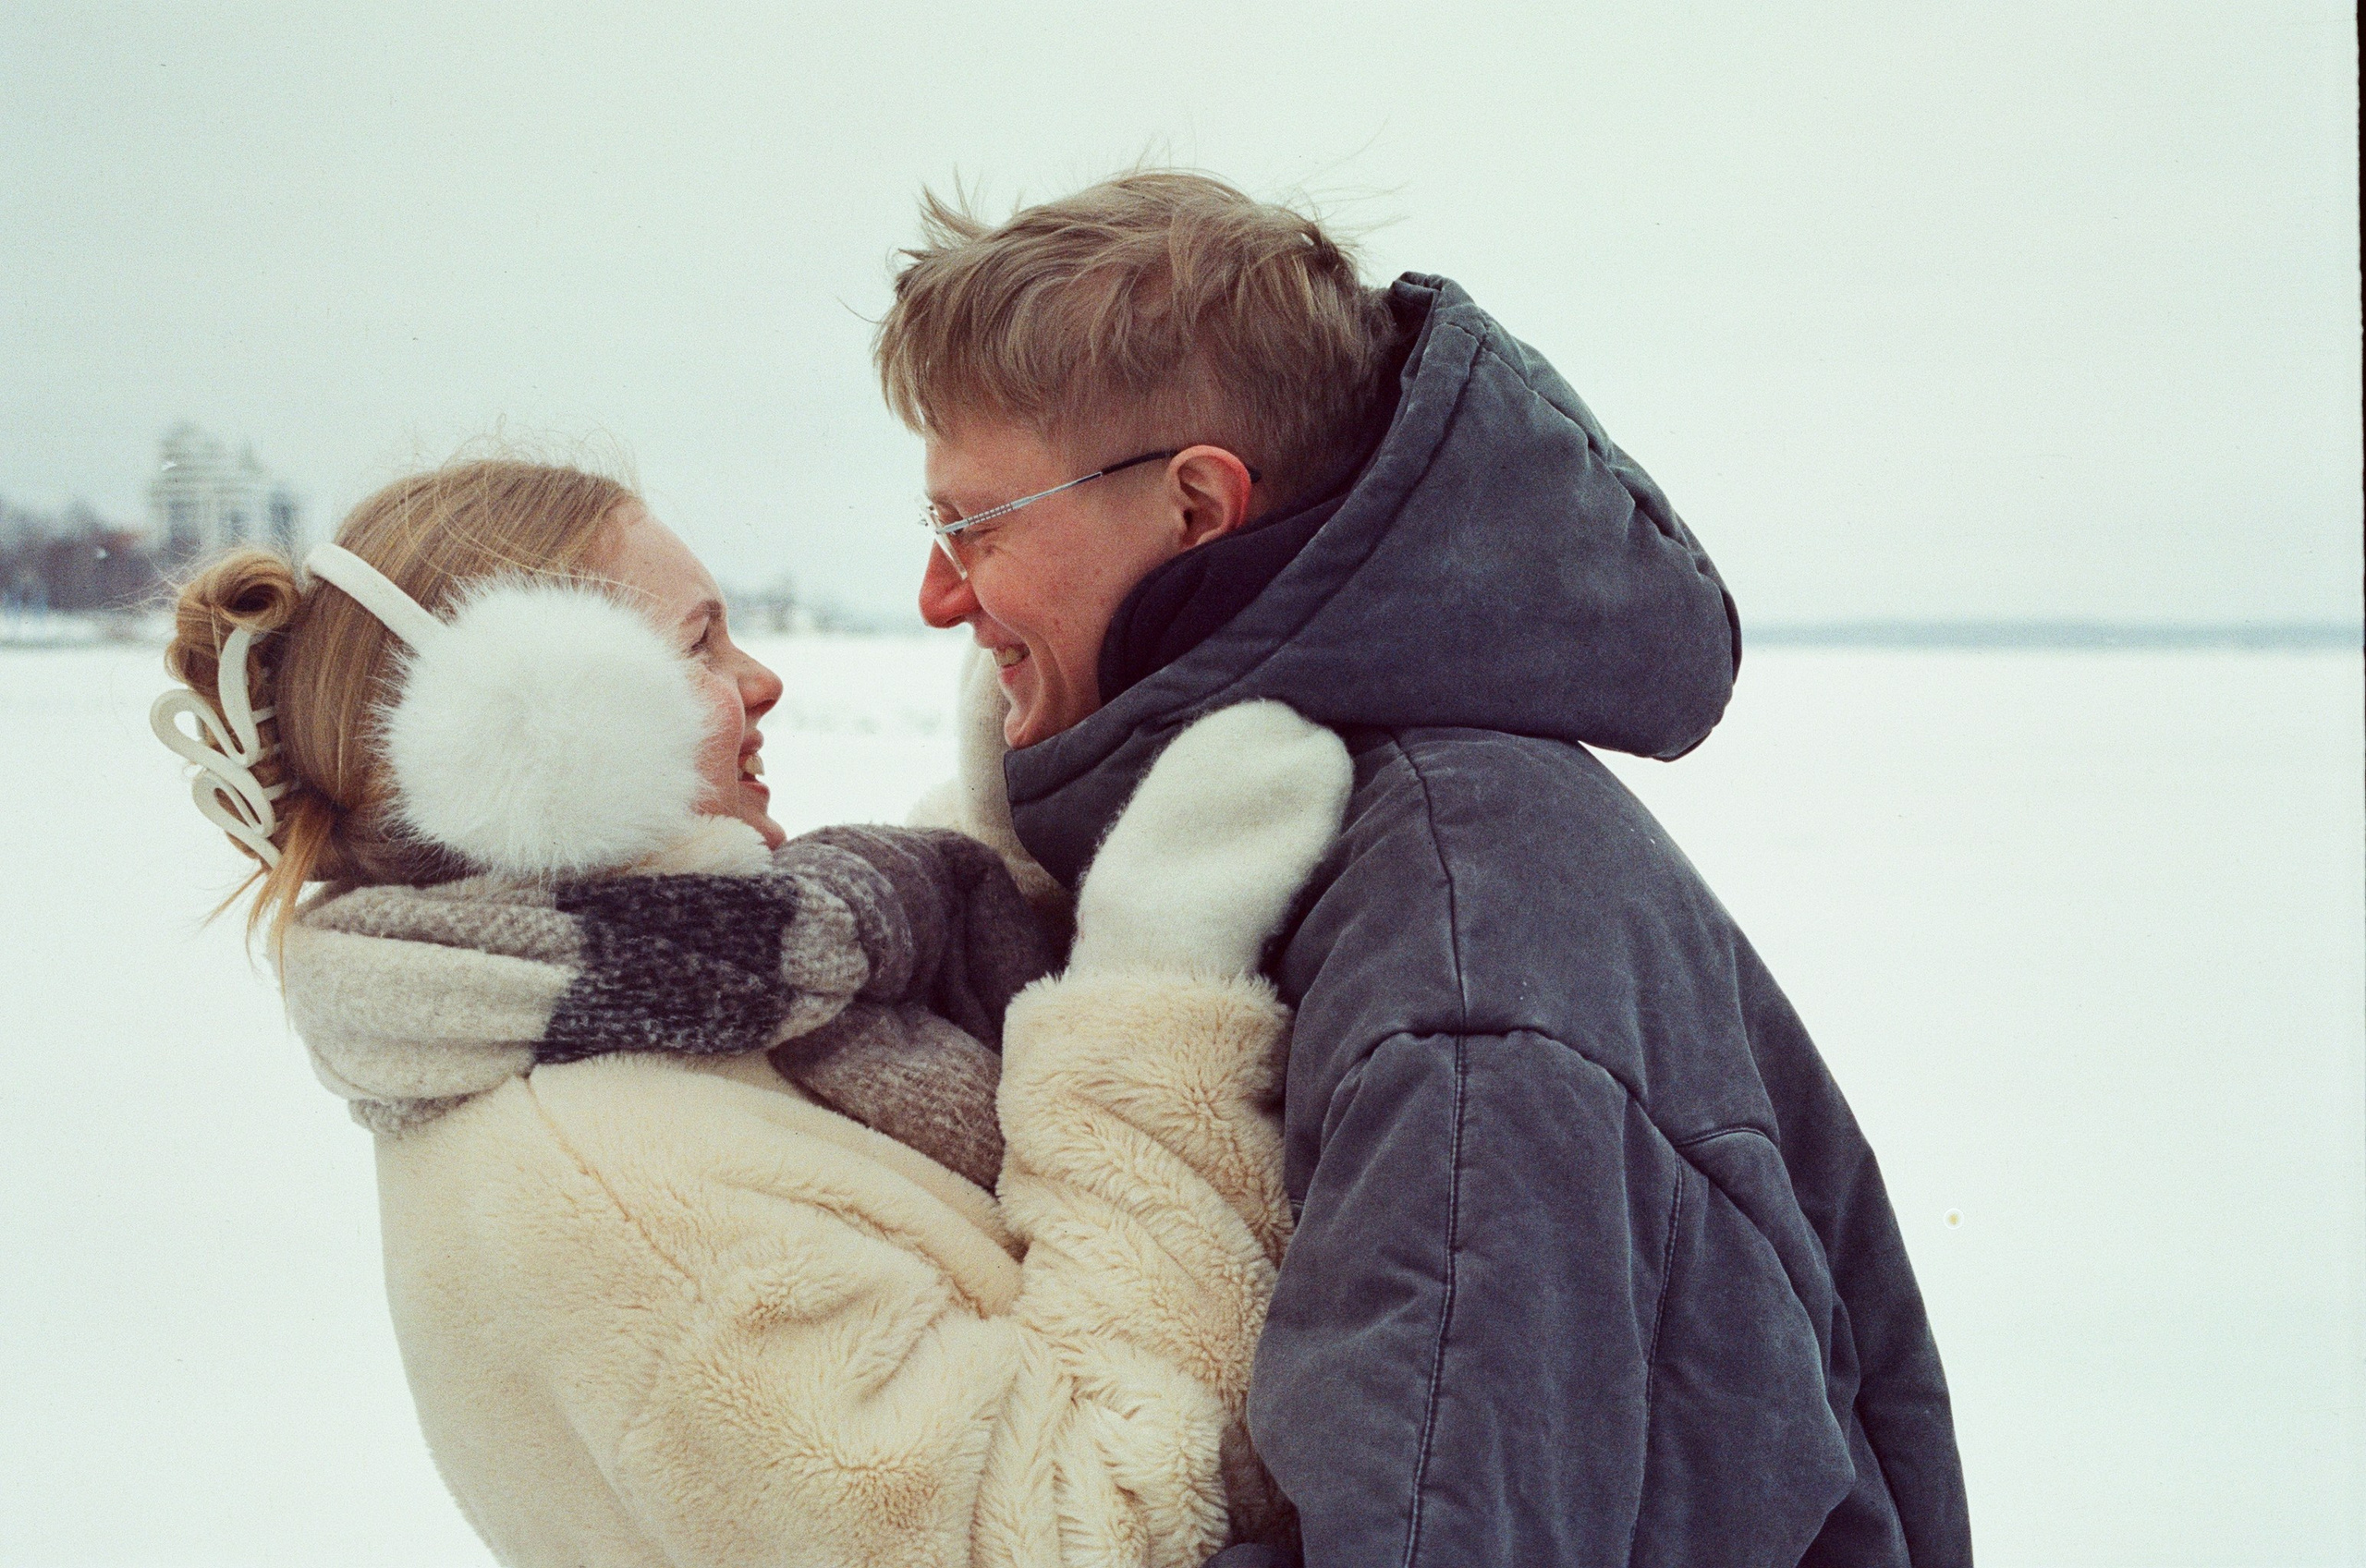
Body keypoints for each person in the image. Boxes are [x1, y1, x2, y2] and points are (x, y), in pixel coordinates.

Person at [879, 171, 1973, 1567]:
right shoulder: (1299, 832)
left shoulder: (1461, 943)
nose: (940, 594)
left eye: (973, 525)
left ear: (1197, 506)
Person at [155, 456, 1351, 1566]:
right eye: (700, 643)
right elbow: (1096, 1519)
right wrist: (1150, 990)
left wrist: (1006, 846)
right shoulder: (617, 1195)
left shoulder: (675, 1011)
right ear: (544, 727)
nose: (763, 680)